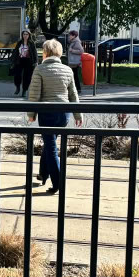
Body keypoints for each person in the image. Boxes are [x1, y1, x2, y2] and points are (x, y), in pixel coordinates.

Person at [27, 39, 82, 194]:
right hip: (64, 114)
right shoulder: (67, 70)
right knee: (49, 142)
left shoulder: (40, 69)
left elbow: (34, 94)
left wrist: (31, 114)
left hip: (47, 113)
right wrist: (78, 115)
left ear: (45, 52)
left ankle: (58, 182)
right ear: (59, 52)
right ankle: (43, 174)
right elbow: (73, 94)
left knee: (50, 147)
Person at [8, 29, 37, 98]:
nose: (25, 35)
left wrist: (35, 62)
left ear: (29, 35)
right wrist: (13, 60)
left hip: (28, 61)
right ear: (22, 35)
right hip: (19, 60)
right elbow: (15, 51)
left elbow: (34, 53)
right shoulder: (19, 42)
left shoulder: (31, 43)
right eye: (24, 34)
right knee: (17, 75)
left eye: (27, 34)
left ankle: (24, 90)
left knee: (27, 77)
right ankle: (18, 87)